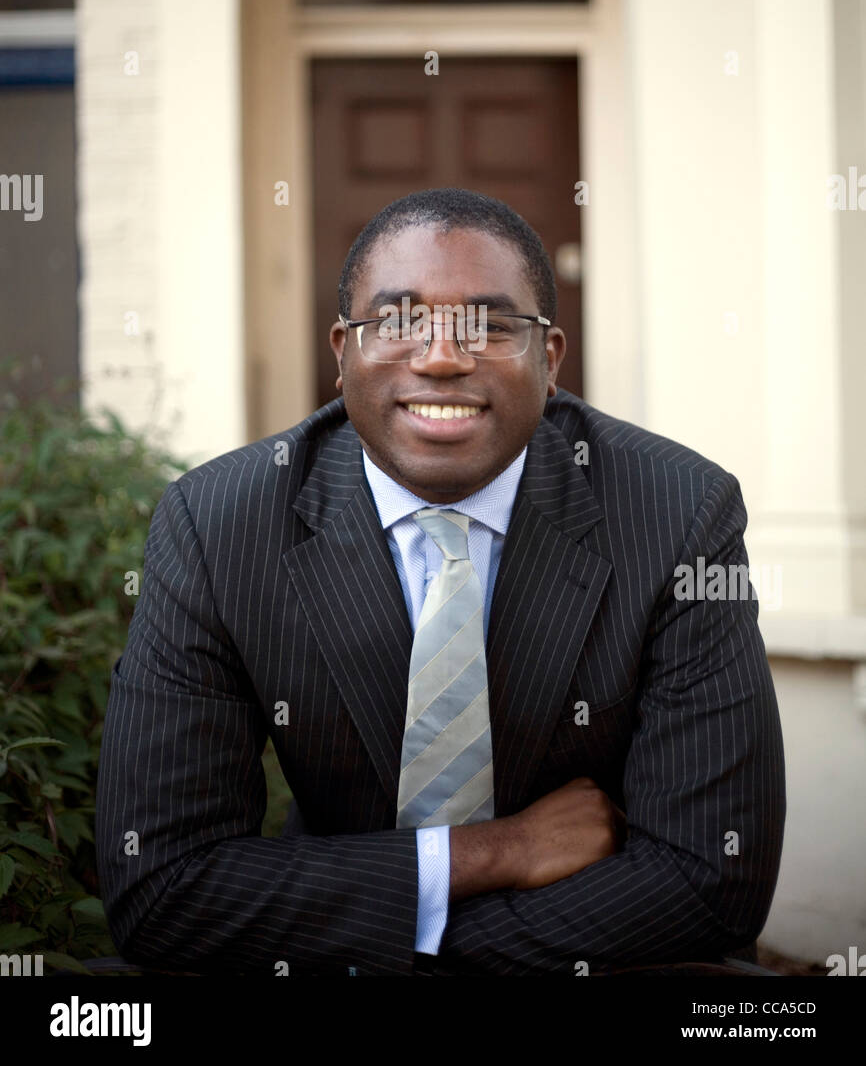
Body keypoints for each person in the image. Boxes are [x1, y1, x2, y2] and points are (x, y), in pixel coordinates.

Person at [95, 188, 786, 976]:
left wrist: (402, 948)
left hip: (600, 957)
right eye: (395, 321)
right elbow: (160, 886)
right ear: (342, 353)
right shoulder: (220, 525)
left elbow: (710, 881)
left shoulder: (676, 514)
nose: (442, 356)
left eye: (489, 325)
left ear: (550, 359)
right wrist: (497, 852)